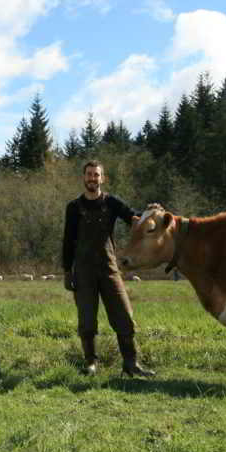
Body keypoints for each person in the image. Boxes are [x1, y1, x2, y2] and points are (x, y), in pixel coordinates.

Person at [62, 160, 154, 377]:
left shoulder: (112, 202)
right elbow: (68, 241)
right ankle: (91, 364)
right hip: (83, 272)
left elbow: (133, 217)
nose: (92, 178)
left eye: (96, 175)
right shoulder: (73, 207)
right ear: (83, 178)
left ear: (102, 178)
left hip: (109, 269)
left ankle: (131, 364)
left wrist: (150, 212)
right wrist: (67, 271)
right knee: (86, 321)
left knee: (124, 315)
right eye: (89, 174)